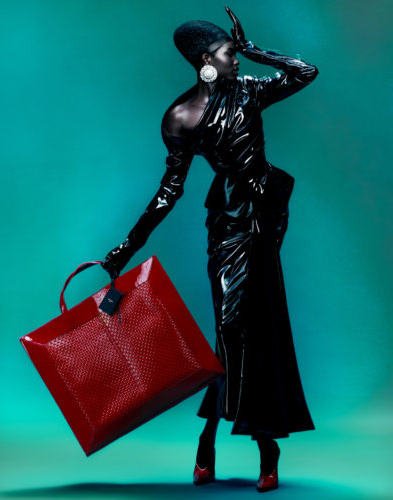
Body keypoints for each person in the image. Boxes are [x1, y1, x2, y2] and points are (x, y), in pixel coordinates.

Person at [101, 6, 319, 493]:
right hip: (227, 224)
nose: (236, 60)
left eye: (237, 53)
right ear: (205, 60)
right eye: (228, 53)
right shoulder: (180, 117)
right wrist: (127, 246)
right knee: (230, 328)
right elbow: (169, 191)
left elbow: (305, 72)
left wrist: (254, 48)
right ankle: (214, 436)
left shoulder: (249, 91)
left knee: (257, 328)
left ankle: (260, 445)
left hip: (265, 218)